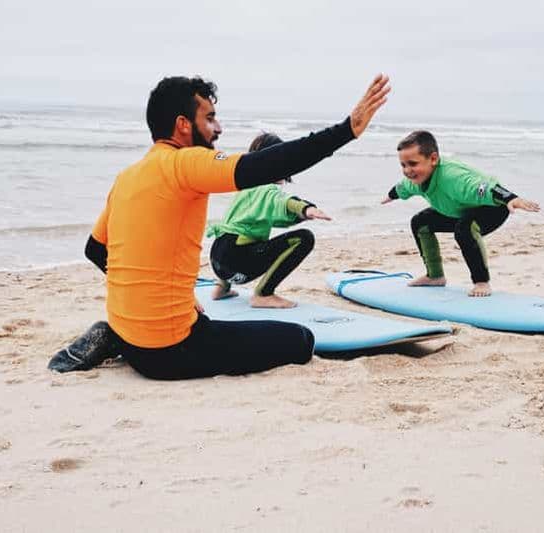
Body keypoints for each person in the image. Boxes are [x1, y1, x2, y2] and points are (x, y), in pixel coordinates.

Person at [48, 74, 390, 378]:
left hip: (129, 333)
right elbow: (265, 165)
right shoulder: (185, 163)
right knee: (300, 340)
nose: (219, 128)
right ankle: (133, 335)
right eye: (210, 118)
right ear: (183, 125)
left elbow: (95, 249)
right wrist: (347, 130)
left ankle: (115, 335)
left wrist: (146, 300)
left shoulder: (126, 177)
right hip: (169, 351)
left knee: (206, 323)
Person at [380, 130, 539, 297]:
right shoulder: (416, 180)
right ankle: (435, 276)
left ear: (433, 159)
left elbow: (483, 187)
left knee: (464, 229)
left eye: (412, 164)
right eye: (403, 165)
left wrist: (510, 198)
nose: (407, 170)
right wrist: (391, 196)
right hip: (461, 210)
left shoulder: (452, 177)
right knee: (420, 223)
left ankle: (482, 282)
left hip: (493, 206)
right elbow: (402, 188)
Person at [206, 132, 331, 309]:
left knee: (235, 232)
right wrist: (305, 209)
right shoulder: (266, 188)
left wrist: (300, 217)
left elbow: (271, 216)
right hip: (237, 263)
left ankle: (221, 288)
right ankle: (263, 294)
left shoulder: (245, 187)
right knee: (304, 238)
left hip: (217, 260)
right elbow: (280, 201)